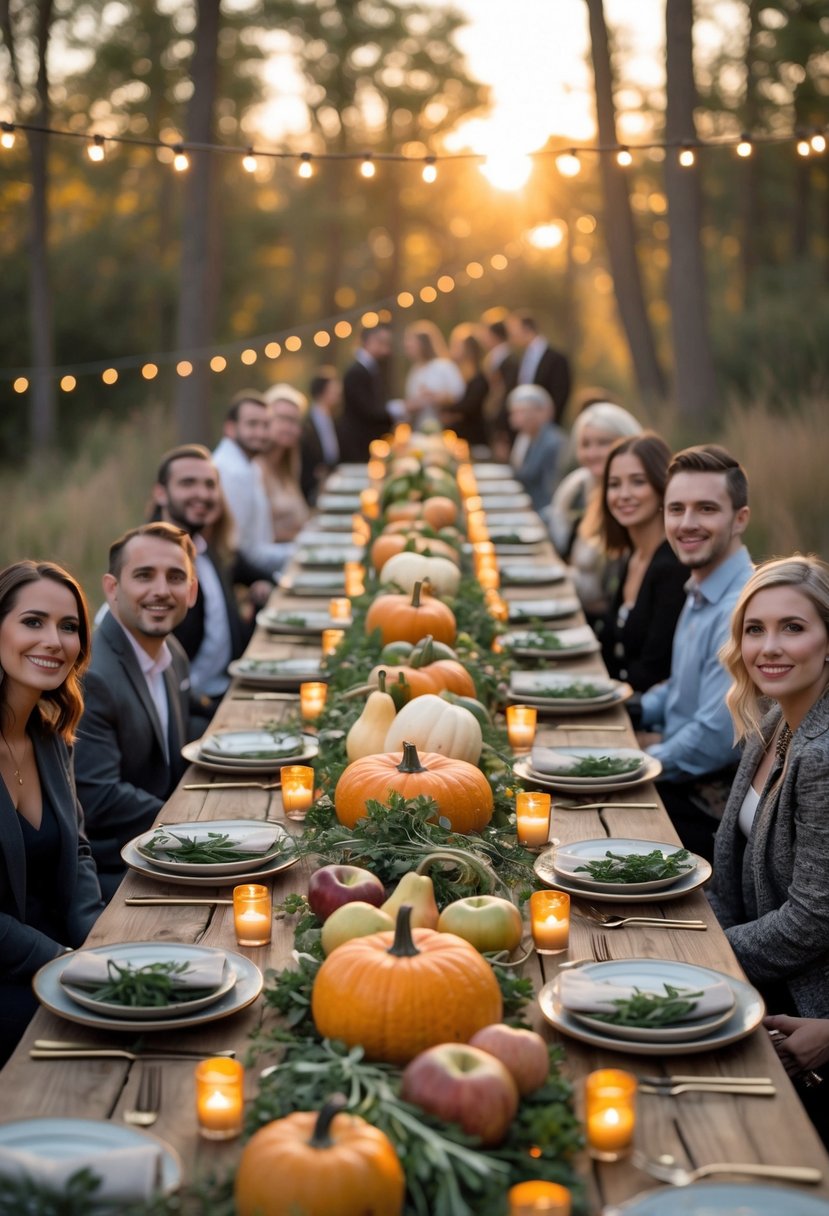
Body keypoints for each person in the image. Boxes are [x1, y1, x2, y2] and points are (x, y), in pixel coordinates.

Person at [710, 556, 829, 1139]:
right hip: (758, 970)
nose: (769, 647)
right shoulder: (774, 719)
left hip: (809, 1007)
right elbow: (728, 870)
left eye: (793, 627)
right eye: (754, 629)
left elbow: (813, 919)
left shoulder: (824, 755)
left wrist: (708, 958)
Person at [0, 560, 104, 1065]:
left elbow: (79, 850)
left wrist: (99, 939)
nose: (54, 641)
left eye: (69, 627)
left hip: (61, 955)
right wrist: (61, 961)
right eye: (32, 621)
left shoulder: (49, 735)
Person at [638, 445, 753, 861]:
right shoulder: (701, 586)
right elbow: (679, 689)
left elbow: (713, 740)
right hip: (675, 772)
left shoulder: (740, 608)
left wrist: (637, 764)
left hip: (709, 810)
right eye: (676, 509)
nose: (687, 524)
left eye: (706, 509)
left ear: (740, 518)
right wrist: (635, 707)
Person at [74, 523, 196, 900]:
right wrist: (195, 823)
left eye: (175, 577)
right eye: (144, 576)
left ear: (191, 592)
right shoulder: (93, 675)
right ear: (112, 589)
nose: (161, 590)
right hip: (115, 871)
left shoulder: (171, 651)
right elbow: (98, 797)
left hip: (161, 847)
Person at [151, 445, 253, 731]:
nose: (202, 493)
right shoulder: (148, 567)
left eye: (209, 485)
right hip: (186, 714)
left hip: (227, 692)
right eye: (187, 483)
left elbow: (225, 635)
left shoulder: (206, 549)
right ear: (161, 493)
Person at [598, 433, 687, 690]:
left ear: (663, 488)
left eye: (638, 482)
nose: (623, 495)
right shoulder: (633, 555)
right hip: (622, 695)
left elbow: (654, 671)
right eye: (614, 484)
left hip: (649, 716)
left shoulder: (673, 568)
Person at [544, 401, 642, 623]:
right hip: (572, 605)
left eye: (604, 443)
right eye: (585, 444)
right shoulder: (576, 488)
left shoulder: (631, 504)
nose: (593, 453)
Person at [212, 392, 293, 580]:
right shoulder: (232, 472)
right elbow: (238, 550)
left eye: (266, 425)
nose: (261, 433)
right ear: (230, 428)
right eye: (252, 424)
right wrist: (298, 552)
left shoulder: (249, 465)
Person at [259, 384, 310, 541]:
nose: (290, 427)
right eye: (282, 419)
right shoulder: (256, 468)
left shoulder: (289, 464)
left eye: (295, 421)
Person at [339, 324, 395, 462]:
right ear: (369, 341)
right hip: (358, 446)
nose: (386, 350)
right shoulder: (356, 372)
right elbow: (368, 410)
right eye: (382, 343)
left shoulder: (372, 369)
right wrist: (399, 409)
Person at [506, 384, 565, 513]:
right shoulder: (525, 437)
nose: (513, 419)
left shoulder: (552, 443)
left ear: (541, 412)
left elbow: (551, 491)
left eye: (520, 412)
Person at [508, 311, 571, 424]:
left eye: (514, 330)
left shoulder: (557, 359)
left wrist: (548, 420)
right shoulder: (522, 357)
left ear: (526, 328)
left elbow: (560, 394)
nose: (512, 335)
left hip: (547, 425)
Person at [403, 320, 465, 429]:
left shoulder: (444, 366)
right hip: (420, 428)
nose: (407, 345)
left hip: (446, 428)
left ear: (423, 343)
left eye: (411, 341)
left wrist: (436, 397)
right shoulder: (414, 370)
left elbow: (460, 395)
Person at [300, 367, 342, 505]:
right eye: (333, 390)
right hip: (315, 486)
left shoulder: (332, 417)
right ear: (322, 392)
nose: (338, 393)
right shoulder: (308, 423)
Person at [445, 323, 489, 449]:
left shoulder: (479, 377)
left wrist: (446, 404)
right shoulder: (458, 374)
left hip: (474, 438)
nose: (452, 348)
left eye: (457, 345)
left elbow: (468, 406)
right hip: (460, 437)